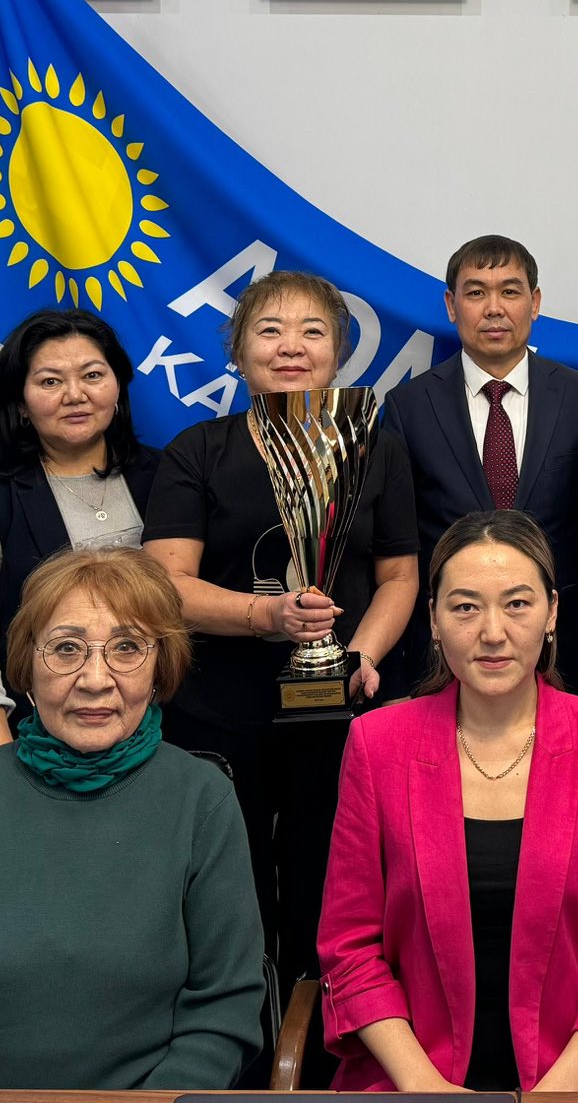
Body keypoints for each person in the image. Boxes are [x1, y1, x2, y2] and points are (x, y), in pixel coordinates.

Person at [0, 547, 266, 1088]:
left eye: (127, 648)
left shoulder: (202, 799)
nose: (95, 679)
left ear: (160, 668)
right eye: (66, 649)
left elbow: (224, 1009)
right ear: (27, 668)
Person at [318, 511, 578, 1091]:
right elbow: (349, 948)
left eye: (517, 604)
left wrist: (552, 1094)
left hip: (570, 1084)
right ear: (433, 619)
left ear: (552, 612)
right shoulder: (378, 745)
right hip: (409, 1083)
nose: (493, 632)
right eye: (465, 607)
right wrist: (426, 1088)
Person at [142, 268, 418, 985]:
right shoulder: (197, 450)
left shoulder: (378, 449)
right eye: (270, 330)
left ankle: (323, 1038)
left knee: (333, 891)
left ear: (339, 353)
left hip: (340, 711)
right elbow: (164, 586)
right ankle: (237, 1033)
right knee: (222, 893)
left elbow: (399, 577)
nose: (291, 346)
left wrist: (357, 655)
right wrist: (267, 614)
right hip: (217, 711)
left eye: (312, 331)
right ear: (238, 353)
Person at [381, 235, 578, 694]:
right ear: (451, 305)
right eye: (476, 292)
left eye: (510, 291)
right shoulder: (409, 406)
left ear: (535, 303)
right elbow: (397, 552)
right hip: (444, 657)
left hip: (564, 651)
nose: (494, 308)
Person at [0, 308, 157, 755]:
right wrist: (0, 770)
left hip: (157, 741)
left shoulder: (170, 477)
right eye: (50, 381)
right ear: (20, 403)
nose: (75, 395)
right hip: (26, 747)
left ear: (118, 387)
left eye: (93, 375)